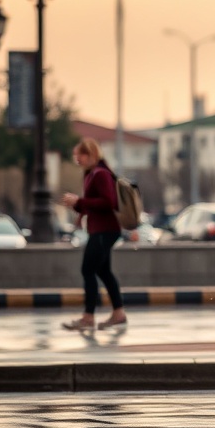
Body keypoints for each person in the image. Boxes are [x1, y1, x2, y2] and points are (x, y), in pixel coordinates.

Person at [59, 138, 127, 331]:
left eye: (79, 155)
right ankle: (118, 314)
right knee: (103, 271)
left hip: (106, 230)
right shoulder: (91, 174)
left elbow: (108, 202)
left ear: (90, 155)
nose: (77, 159)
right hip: (100, 230)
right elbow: (92, 204)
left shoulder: (101, 174)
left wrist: (79, 201)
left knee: (87, 270)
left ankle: (88, 317)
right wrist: (78, 208)